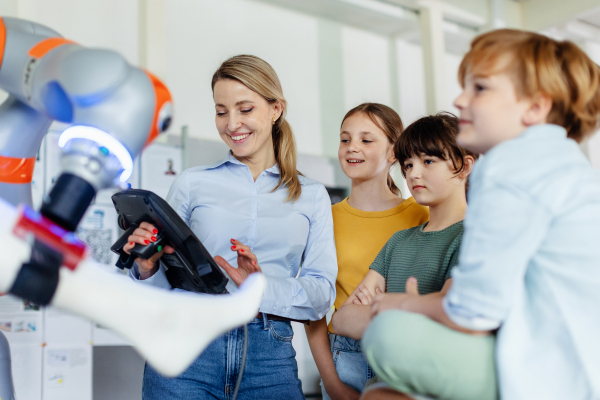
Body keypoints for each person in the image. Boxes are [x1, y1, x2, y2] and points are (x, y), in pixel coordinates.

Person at [362, 29, 600, 400]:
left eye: (480, 88)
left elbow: (473, 315)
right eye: (464, 87)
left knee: (385, 335)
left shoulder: (510, 166)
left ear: (535, 106)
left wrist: (402, 303)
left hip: (552, 377)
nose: (460, 99)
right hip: (582, 368)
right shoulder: (564, 162)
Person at [125, 55, 337, 399]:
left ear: (276, 109)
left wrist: (259, 288)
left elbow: (320, 294)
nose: (231, 124)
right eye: (221, 111)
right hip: (185, 347)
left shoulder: (312, 195)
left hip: (268, 356)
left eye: (245, 109)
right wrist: (146, 267)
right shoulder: (192, 183)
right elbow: (162, 287)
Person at [304, 104, 429, 400]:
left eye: (366, 139)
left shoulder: (421, 214)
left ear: (392, 152)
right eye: (345, 139)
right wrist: (331, 383)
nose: (352, 148)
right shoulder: (324, 218)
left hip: (404, 356)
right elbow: (314, 308)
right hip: (342, 358)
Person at [332, 113, 477, 343]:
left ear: (464, 166)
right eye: (408, 165)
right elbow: (342, 319)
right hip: (383, 377)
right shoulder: (398, 241)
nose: (413, 174)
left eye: (428, 161)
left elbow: (450, 318)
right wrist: (417, 311)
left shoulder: (474, 239)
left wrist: (384, 306)